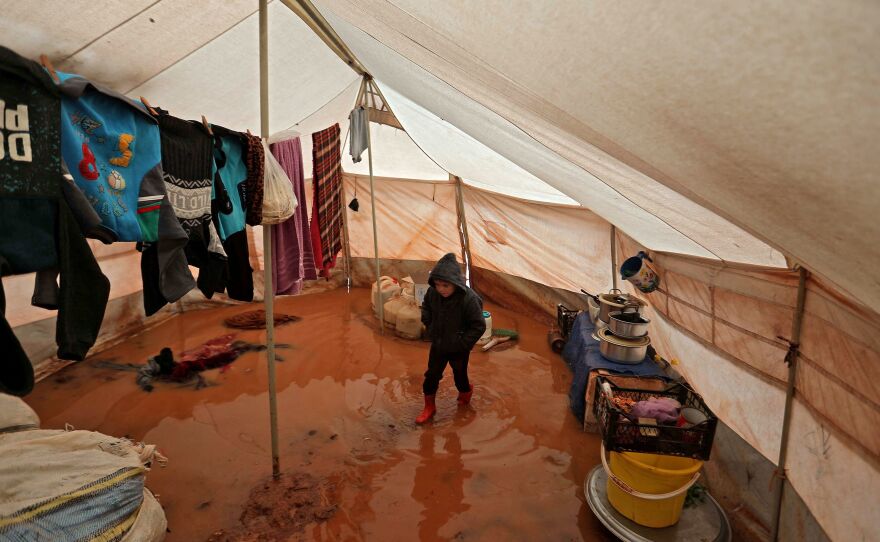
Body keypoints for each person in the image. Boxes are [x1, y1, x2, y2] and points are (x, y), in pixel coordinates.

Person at [415, 253, 486, 424]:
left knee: (460, 376)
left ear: (455, 283)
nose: (441, 289)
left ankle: (465, 393)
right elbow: (426, 307)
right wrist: (430, 325)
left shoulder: (469, 299)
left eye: (445, 285)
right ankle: (429, 407)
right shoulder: (433, 293)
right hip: (439, 344)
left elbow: (478, 326)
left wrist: (463, 344)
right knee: (431, 375)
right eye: (438, 284)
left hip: (459, 348)